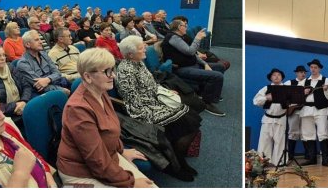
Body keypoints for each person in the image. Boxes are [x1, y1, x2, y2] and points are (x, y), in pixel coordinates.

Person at [57, 48, 155, 187]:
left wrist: (120, 150)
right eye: (107, 72)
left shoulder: (100, 91)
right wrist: (131, 182)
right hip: (81, 171)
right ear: (88, 77)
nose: (113, 76)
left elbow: (109, 130)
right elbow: (96, 160)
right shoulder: (77, 109)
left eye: (112, 69)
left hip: (105, 159)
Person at [117, 35, 202, 181]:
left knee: (192, 117)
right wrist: (158, 103)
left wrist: (164, 91)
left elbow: (151, 83)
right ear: (130, 54)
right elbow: (134, 101)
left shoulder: (139, 62)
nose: (145, 48)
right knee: (185, 122)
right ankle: (175, 166)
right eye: (141, 47)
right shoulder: (125, 70)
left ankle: (179, 158)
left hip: (154, 102)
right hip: (143, 110)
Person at [162, 19, 225, 117]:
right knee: (217, 76)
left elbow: (194, 55)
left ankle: (204, 92)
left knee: (220, 66)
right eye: (185, 26)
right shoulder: (173, 37)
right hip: (181, 68)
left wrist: (205, 64)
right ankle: (207, 103)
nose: (186, 28)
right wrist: (197, 38)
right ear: (179, 27)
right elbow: (190, 51)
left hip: (192, 64)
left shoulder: (181, 37)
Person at [298, 58, 328, 166]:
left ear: (319, 68)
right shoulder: (304, 81)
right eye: (311, 67)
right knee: (308, 134)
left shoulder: (325, 80)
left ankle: (325, 159)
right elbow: (296, 95)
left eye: (315, 67)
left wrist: (326, 90)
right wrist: (303, 92)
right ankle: (312, 158)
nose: (313, 69)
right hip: (306, 110)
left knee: (322, 133)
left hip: (321, 110)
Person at [15, 30, 70, 95]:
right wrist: (61, 90)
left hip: (57, 83)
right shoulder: (23, 63)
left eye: (40, 39)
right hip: (42, 93)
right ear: (27, 44)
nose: (41, 42)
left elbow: (57, 73)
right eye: (36, 40)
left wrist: (48, 79)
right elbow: (39, 86)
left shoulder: (44, 54)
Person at [254, 68, 287, 166]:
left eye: (279, 75)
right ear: (271, 78)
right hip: (268, 119)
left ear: (282, 77)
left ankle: (279, 162)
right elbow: (256, 101)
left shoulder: (287, 88)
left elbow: (294, 101)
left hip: (281, 118)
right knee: (264, 141)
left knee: (280, 141)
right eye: (274, 75)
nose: (276, 76)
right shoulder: (266, 88)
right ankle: (263, 162)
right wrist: (266, 97)